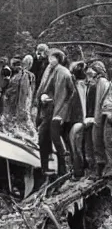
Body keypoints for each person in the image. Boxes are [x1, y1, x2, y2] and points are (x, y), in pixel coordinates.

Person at [36, 49, 74, 178]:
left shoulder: (64, 73)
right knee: (43, 138)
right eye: (49, 58)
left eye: (52, 58)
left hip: (58, 111)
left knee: (57, 139)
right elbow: (46, 88)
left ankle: (64, 170)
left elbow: (71, 94)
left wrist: (62, 112)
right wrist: (43, 96)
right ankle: (45, 168)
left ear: (58, 59)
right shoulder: (50, 70)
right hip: (48, 109)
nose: (49, 60)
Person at [67, 61, 95, 179]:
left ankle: (81, 170)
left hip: (82, 120)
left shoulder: (85, 86)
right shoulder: (77, 86)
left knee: (80, 145)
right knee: (77, 145)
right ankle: (78, 171)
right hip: (78, 120)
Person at [90, 60, 111, 178]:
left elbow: (102, 101)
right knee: (96, 141)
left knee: (101, 141)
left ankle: (103, 168)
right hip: (98, 116)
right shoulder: (97, 82)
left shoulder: (103, 82)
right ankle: (99, 168)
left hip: (101, 116)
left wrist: (100, 116)